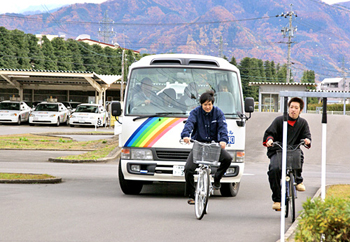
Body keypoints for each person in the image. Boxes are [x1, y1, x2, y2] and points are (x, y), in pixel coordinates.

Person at [181, 90, 232, 205]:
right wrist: (185, 135)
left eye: (210, 104)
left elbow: (223, 127)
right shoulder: (195, 112)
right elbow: (189, 124)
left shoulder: (218, 113)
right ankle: (191, 195)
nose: (208, 107)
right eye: (205, 105)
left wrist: (223, 140)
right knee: (188, 169)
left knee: (227, 159)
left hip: (213, 146)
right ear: (201, 104)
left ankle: (217, 179)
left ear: (212, 104)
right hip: (199, 145)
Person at [263, 97, 311, 210]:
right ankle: (277, 199)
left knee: (300, 156)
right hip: (278, 150)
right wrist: (270, 140)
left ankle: (298, 180)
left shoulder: (303, 123)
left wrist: (307, 140)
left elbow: (307, 136)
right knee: (273, 170)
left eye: (296, 108)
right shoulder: (279, 120)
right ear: (288, 108)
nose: (293, 110)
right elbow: (269, 133)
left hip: (293, 150)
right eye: (291, 107)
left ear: (300, 110)